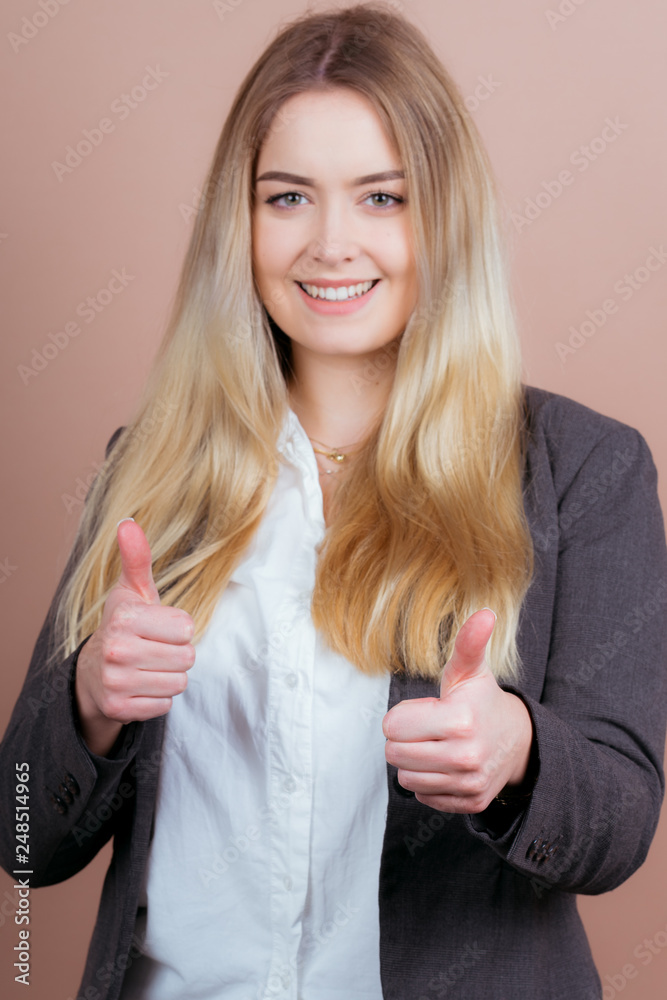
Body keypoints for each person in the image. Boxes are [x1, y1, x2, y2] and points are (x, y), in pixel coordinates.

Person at [1, 4, 666, 999]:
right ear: (239, 221)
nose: (330, 244)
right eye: (287, 198)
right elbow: (21, 835)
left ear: (445, 214)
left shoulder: (586, 469)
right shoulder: (150, 468)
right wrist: (88, 702)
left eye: (382, 197)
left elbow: (618, 824)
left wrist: (519, 754)